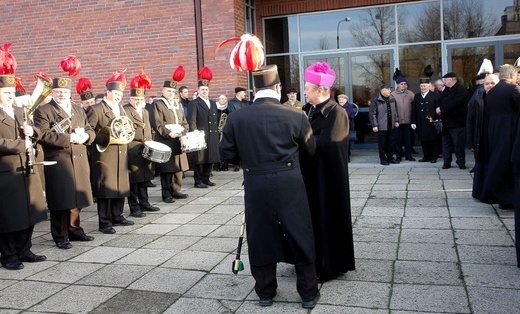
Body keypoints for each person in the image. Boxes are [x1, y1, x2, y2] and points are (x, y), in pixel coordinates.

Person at [220, 64, 319, 309]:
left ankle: (265, 292)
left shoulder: (236, 117)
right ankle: (307, 293)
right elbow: (310, 151)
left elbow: (227, 154)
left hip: (255, 183)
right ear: (278, 87)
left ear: (254, 89)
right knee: (299, 233)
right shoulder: (296, 114)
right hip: (290, 182)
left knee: (261, 235)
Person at [302, 61, 355, 283]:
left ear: (321, 90)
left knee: (326, 220)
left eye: (307, 88)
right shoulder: (311, 110)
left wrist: (301, 140)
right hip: (313, 177)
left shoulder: (337, 113)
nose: (304, 91)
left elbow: (329, 147)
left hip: (327, 180)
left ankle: (328, 266)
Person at [34, 76, 96, 249]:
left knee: (78, 198)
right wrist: (69, 138)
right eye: (58, 91)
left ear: (70, 93)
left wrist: (87, 136)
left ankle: (74, 230)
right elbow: (42, 135)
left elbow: (90, 129)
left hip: (79, 159)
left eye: (65, 92)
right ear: (52, 92)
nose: (62, 94)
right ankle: (60, 236)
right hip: (59, 160)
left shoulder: (78, 109)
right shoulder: (44, 110)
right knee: (61, 201)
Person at [0, 73, 47, 270]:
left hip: (27, 169)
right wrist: (22, 143)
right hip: (7, 172)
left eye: (12, 92)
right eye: (6, 92)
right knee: (9, 216)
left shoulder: (21, 111)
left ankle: (24, 249)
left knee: (30, 211)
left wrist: (32, 133)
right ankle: (8, 254)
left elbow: (37, 134)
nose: (11, 96)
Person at [87, 70, 134, 234]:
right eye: (116, 93)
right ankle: (104, 222)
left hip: (121, 153)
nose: (119, 96)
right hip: (104, 154)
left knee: (120, 185)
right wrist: (107, 137)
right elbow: (90, 132)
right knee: (106, 189)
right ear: (108, 92)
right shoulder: (96, 109)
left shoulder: (122, 109)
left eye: (121, 94)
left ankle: (118, 215)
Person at [473, 65, 519, 209]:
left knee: (498, 162)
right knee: (509, 164)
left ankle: (503, 199)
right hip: (509, 130)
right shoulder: (512, 90)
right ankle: (509, 197)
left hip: (494, 130)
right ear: (511, 75)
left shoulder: (492, 92)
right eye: (517, 75)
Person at [124, 70, 160, 217]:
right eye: (135, 99)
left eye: (140, 99)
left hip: (145, 148)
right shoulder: (125, 110)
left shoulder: (144, 111)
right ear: (130, 99)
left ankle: (144, 203)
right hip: (132, 148)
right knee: (133, 181)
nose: (137, 102)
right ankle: (134, 208)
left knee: (144, 178)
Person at [150, 72, 190, 203]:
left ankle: (176, 190)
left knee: (178, 167)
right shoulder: (158, 104)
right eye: (168, 91)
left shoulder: (177, 104)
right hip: (165, 140)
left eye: (173, 91)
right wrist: (168, 133)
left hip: (178, 140)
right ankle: (166, 194)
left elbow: (184, 121)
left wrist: (184, 130)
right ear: (163, 90)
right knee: (167, 169)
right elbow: (157, 123)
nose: (171, 93)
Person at [187, 67, 220, 188]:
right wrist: (194, 132)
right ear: (198, 90)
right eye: (202, 89)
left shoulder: (212, 103)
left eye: (206, 89)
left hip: (212, 134)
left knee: (210, 157)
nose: (205, 91)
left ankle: (206, 178)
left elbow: (215, 118)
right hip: (200, 134)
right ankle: (198, 180)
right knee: (200, 158)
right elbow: (192, 119)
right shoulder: (194, 103)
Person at [467, 74, 499, 174]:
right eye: (487, 84)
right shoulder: (477, 100)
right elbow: (470, 121)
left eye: (493, 83)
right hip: (483, 139)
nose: (490, 86)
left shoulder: (504, 99)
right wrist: (471, 142)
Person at [436, 72, 468, 169]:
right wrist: (439, 107)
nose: (444, 81)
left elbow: (456, 103)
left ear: (450, 80)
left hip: (457, 122)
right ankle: (447, 162)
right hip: (446, 122)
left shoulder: (461, 89)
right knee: (446, 144)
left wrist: (442, 109)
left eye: (445, 80)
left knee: (458, 144)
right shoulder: (446, 90)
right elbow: (441, 100)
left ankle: (461, 162)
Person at [369, 84, 400, 165]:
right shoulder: (376, 100)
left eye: (390, 89)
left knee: (391, 142)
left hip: (391, 125)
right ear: (382, 90)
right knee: (382, 143)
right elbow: (372, 113)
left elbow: (395, 111)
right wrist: (374, 125)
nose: (389, 91)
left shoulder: (392, 98)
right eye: (388, 89)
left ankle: (390, 157)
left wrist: (396, 120)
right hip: (381, 125)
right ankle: (383, 159)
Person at [411, 78, 440, 163]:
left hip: (431, 122)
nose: (423, 88)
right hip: (421, 122)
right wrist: (413, 122)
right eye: (421, 86)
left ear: (429, 86)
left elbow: (438, 109)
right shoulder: (417, 96)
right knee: (423, 140)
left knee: (432, 141)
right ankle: (426, 156)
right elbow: (414, 110)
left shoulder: (435, 95)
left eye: (425, 86)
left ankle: (433, 157)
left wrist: (437, 120)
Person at [391, 77, 416, 161]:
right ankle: (398, 156)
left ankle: (408, 155)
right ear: (397, 85)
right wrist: (395, 120)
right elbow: (392, 109)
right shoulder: (393, 95)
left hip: (408, 121)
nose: (403, 85)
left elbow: (415, 106)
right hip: (398, 121)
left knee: (408, 140)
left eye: (405, 84)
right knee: (398, 140)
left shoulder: (411, 94)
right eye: (401, 84)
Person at [227, 86, 249, 171]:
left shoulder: (246, 103)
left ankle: (244, 162)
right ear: (239, 93)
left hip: (246, 127)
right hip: (237, 127)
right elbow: (231, 114)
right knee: (236, 145)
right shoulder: (231, 103)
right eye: (243, 92)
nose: (245, 94)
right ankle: (236, 164)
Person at [337, 94, 356, 161]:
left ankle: (347, 157)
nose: (341, 101)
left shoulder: (349, 107)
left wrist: (345, 112)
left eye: (342, 99)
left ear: (346, 100)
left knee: (347, 143)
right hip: (338, 128)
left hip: (347, 128)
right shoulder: (337, 107)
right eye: (339, 100)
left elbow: (352, 116)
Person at [216, 94, 229, 171]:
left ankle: (225, 165)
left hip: (225, 130)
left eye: (224, 99)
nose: (223, 100)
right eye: (221, 98)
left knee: (224, 147)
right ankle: (219, 165)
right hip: (217, 130)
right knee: (218, 148)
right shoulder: (215, 107)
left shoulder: (228, 108)